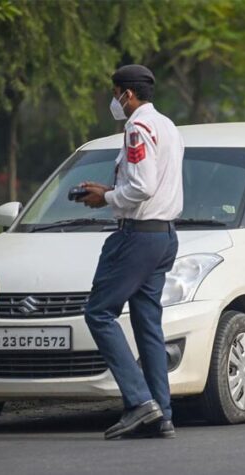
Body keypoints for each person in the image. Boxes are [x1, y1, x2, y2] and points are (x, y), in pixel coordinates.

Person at [78, 64, 183, 440]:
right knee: (147, 323)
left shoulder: (137, 127)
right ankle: (162, 413)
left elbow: (142, 186)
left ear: (127, 94)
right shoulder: (168, 126)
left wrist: (106, 197)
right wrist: (109, 191)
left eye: (115, 94)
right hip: (163, 235)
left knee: (98, 313)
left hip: (137, 236)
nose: (114, 101)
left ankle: (140, 402)